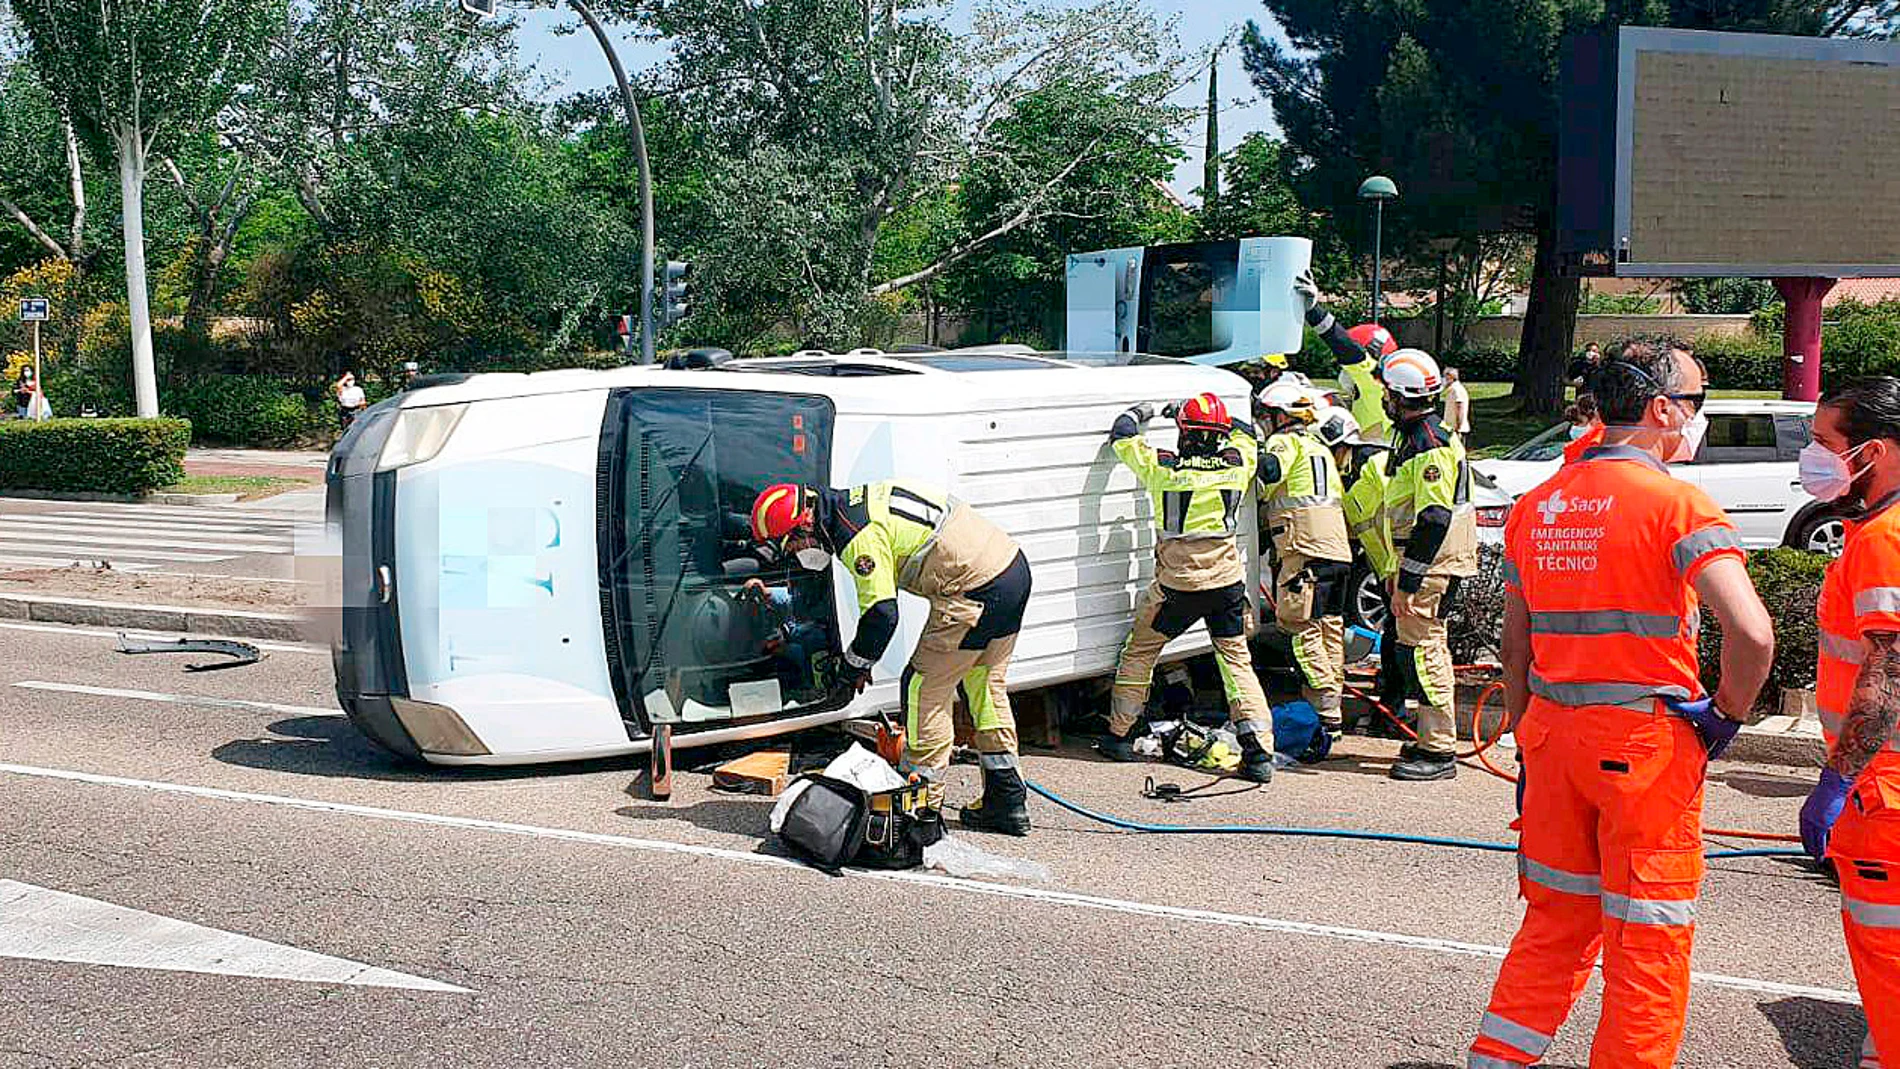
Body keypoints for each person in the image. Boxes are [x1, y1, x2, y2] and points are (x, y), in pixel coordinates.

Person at [1468, 337, 1772, 1069]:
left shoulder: (1537, 504)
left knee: (1554, 924)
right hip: (1643, 746)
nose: (1698, 419)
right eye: (1698, 403)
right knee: (1647, 940)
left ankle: (1495, 1059)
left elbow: (1515, 651)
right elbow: (1752, 632)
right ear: (1663, 408)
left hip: (1551, 738)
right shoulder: (1677, 503)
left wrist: (1525, 735)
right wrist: (1724, 716)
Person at [749, 480, 1033, 835]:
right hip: (1011, 570)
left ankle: (919, 813)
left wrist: (853, 666)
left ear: (805, 521)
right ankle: (1006, 801)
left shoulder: (857, 536)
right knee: (983, 685)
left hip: (975, 590)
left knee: (921, 686)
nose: (794, 553)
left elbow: (882, 614)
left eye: (790, 545)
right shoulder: (850, 505)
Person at [1797, 377, 1900, 1069]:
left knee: (1887, 955)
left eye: (1825, 443)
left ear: (1876, 452)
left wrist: (1836, 781)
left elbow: (1890, 672)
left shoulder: (1882, 541)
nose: (1812, 456)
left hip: (1882, 795)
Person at [1099, 393, 1277, 784]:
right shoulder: (1237, 465)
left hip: (1177, 586)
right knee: (1235, 662)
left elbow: (1122, 435)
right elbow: (1247, 434)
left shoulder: (1164, 468)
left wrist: (1144, 410)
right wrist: (1220, 420)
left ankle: (1119, 735)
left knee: (1140, 652)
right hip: (1226, 584)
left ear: (1184, 433)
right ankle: (1260, 753)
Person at [1381, 347, 1477, 781]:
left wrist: (1407, 583)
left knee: (1425, 649)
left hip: (1433, 562)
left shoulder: (1428, 443)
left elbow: (1434, 518)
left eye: (1387, 392)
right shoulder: (1420, 434)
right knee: (1418, 646)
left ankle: (1439, 751)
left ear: (1400, 396)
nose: (1383, 398)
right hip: (1427, 560)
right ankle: (1429, 737)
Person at [1256, 381, 1353, 736]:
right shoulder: (1321, 448)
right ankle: (1330, 712)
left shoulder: (1283, 441)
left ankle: (1324, 707)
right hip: (1336, 551)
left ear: (1280, 416)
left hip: (1303, 550)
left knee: (1299, 627)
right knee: (1329, 627)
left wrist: (1250, 450)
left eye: (1266, 415)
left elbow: (1269, 476)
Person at [1313, 408, 1403, 734]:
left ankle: (1397, 715)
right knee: (1394, 641)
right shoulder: (1346, 472)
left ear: (1340, 445)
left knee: (1404, 644)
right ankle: (1391, 711)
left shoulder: (1376, 464)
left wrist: (1400, 569)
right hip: (1385, 570)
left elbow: (1400, 516)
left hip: (1402, 567)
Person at [1293, 269, 1395, 445]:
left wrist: (1314, 311)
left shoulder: (1374, 384)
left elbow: (1346, 349)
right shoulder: (1374, 393)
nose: (1344, 369)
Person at [1443, 367, 1471, 436]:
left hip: (1457, 428)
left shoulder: (1456, 390)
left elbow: (1460, 408)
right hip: (1451, 428)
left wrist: (1458, 427)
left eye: (1445, 376)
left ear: (1451, 376)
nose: (1444, 379)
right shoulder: (1452, 389)